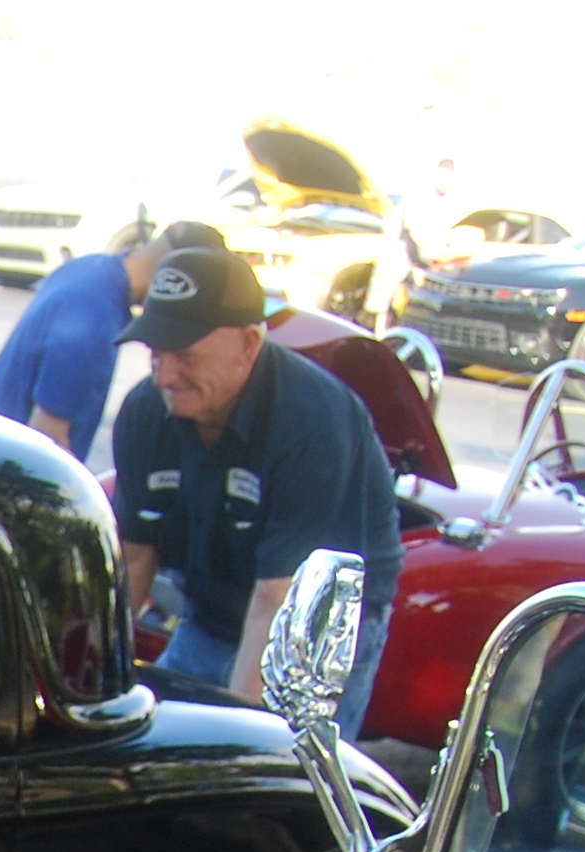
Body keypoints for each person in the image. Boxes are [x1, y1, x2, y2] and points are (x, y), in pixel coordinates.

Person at [106, 247, 405, 738]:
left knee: (280, 765)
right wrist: (95, 683)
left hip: (311, 624)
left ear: (248, 344)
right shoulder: (145, 411)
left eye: (186, 356)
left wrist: (239, 741)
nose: (163, 376)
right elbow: (134, 558)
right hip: (213, 609)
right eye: (155, 353)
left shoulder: (312, 422)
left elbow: (276, 600)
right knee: (155, 741)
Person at [0, 215, 216, 462]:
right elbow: (48, 443)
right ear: (174, 280)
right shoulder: (93, 327)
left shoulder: (88, 268)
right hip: (1, 467)